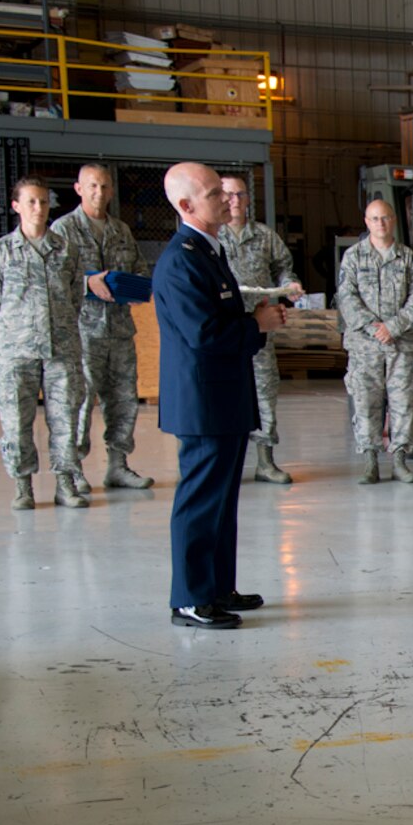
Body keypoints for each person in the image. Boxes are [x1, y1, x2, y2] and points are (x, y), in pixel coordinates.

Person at [156, 162, 286, 629]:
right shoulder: (181, 260)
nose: (228, 201)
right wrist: (257, 325)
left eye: (228, 194)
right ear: (187, 205)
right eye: (215, 195)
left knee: (222, 500)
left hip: (223, 396)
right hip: (202, 402)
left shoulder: (209, 252)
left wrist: (253, 318)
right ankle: (191, 597)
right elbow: (204, 334)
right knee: (200, 501)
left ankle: (217, 586)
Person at [0, 176, 106, 510]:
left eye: (44, 202)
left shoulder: (66, 250)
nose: (39, 208)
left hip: (61, 350)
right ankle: (23, 486)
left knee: (65, 416)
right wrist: (17, 333)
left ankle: (66, 482)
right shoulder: (2, 252)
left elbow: (74, 299)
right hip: (16, 352)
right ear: (16, 206)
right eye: (31, 202)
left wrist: (60, 328)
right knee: (16, 420)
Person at [52, 162, 152, 493]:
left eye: (105, 186)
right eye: (92, 186)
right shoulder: (63, 231)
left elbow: (137, 267)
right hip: (82, 333)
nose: (99, 192)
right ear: (79, 189)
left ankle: (118, 466)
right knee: (79, 402)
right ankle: (74, 469)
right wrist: (87, 283)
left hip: (120, 331)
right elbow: (53, 279)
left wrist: (138, 289)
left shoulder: (121, 230)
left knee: (124, 399)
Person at [335, 198, 413, 483]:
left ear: (394, 221)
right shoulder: (354, 256)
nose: (380, 224)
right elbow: (346, 297)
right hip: (365, 346)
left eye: (385, 218)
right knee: (366, 402)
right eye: (374, 219)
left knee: (403, 402)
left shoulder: (408, 258)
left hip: (401, 345)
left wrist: (393, 327)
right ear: (366, 222)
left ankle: (399, 460)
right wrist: (373, 328)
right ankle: (370, 460)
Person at [219, 174, 302, 485]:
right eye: (228, 195)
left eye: (240, 194)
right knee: (225, 394)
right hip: (225, 328)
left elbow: (283, 267)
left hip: (260, 327)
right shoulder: (212, 237)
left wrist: (288, 285)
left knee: (264, 392)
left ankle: (265, 461)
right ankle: (228, 463)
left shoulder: (265, 237)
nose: (235, 201)